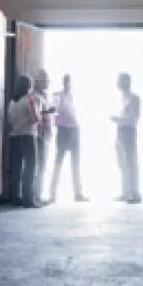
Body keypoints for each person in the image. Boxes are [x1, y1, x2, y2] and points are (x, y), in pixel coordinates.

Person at [48, 74, 89, 202]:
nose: (68, 84)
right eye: (66, 82)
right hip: (63, 130)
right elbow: (54, 109)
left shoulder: (73, 97)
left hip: (74, 130)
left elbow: (77, 112)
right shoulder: (57, 96)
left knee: (75, 163)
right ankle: (52, 194)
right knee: (58, 162)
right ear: (63, 82)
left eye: (69, 82)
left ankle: (78, 193)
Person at [7, 75, 40, 208]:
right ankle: (28, 199)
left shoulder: (12, 102)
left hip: (14, 136)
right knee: (30, 167)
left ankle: (16, 198)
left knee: (16, 168)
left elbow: (10, 120)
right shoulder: (28, 100)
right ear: (28, 86)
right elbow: (35, 118)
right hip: (28, 135)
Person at [110, 72, 141, 204]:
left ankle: (134, 193)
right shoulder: (122, 98)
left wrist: (118, 119)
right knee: (122, 164)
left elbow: (133, 118)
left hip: (128, 131)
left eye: (120, 81)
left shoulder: (134, 98)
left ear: (127, 82)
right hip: (120, 132)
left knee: (131, 163)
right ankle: (125, 192)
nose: (118, 84)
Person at [32, 69, 56, 204]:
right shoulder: (35, 96)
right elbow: (35, 114)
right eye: (45, 80)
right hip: (39, 135)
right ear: (38, 82)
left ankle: (38, 194)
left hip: (46, 135)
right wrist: (49, 111)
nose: (47, 82)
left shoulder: (45, 96)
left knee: (42, 166)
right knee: (39, 166)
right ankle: (35, 195)